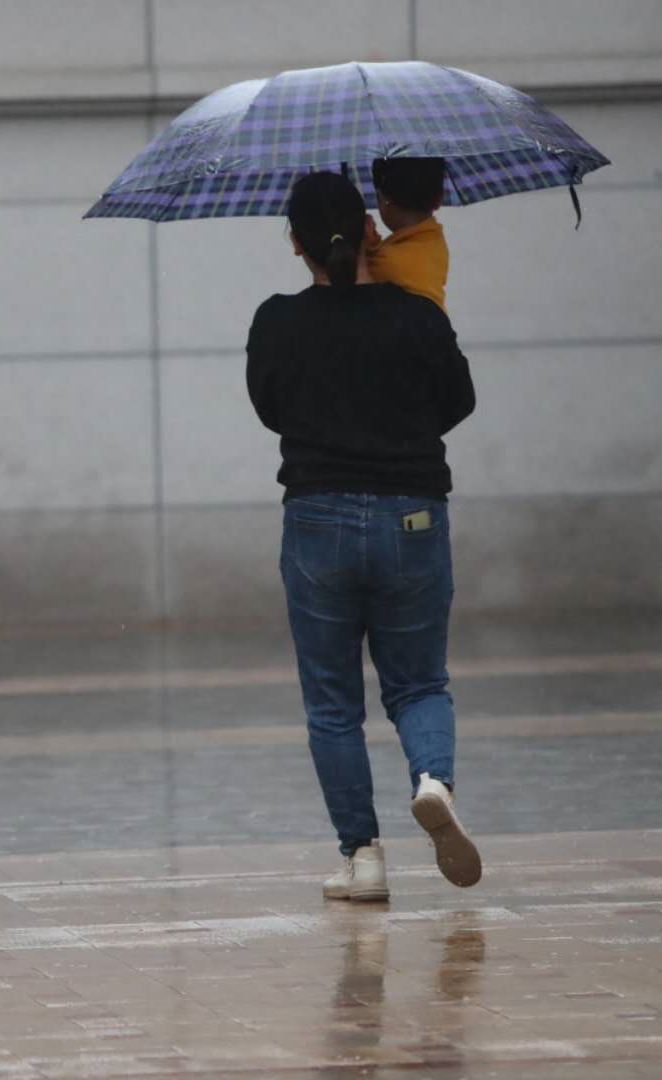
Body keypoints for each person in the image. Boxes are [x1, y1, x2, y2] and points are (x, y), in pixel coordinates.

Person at [246, 170, 480, 902]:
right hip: (413, 512)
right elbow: (459, 401)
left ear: (295, 242)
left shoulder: (277, 320)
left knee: (332, 704)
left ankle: (363, 858)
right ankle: (433, 780)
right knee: (418, 684)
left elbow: (269, 409)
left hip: (317, 518)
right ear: (369, 231)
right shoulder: (416, 315)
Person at [366, 156, 449, 309]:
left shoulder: (383, 262)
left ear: (382, 198)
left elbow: (358, 277)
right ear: (440, 198)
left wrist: (364, 246)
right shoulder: (435, 240)